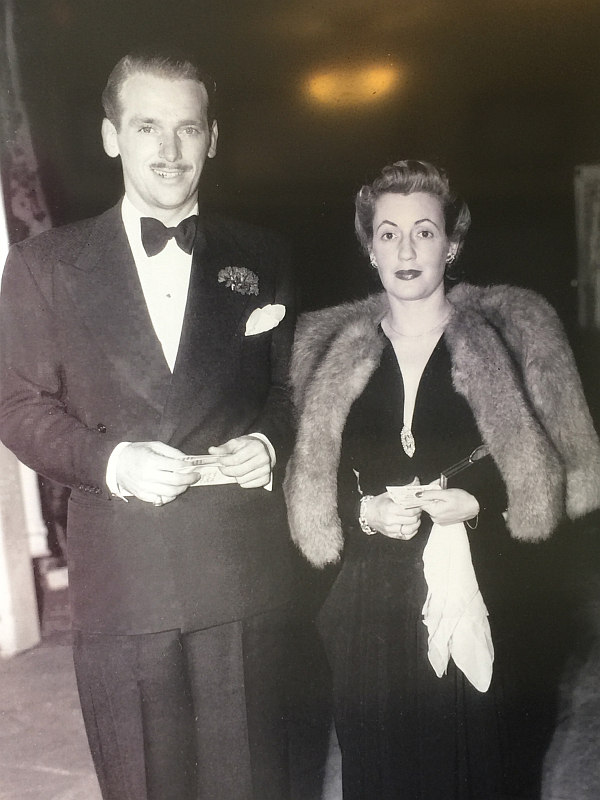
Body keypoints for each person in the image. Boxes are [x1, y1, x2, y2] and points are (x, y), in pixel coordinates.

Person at [0, 52, 297, 800]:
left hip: (240, 576)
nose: (169, 149)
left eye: (187, 128)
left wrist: (268, 443)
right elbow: (16, 404)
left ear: (213, 138)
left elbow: (292, 390)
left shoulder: (264, 255)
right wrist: (112, 462)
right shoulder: (42, 265)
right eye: (146, 127)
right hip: (124, 580)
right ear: (111, 137)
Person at [284, 159, 600, 799]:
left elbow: (567, 479)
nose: (406, 251)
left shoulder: (513, 335)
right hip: (370, 612)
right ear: (370, 248)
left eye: (424, 232)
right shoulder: (323, 348)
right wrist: (364, 512)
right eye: (389, 233)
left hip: (486, 600)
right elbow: (305, 481)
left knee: (483, 775)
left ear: (451, 244)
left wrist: (477, 505)